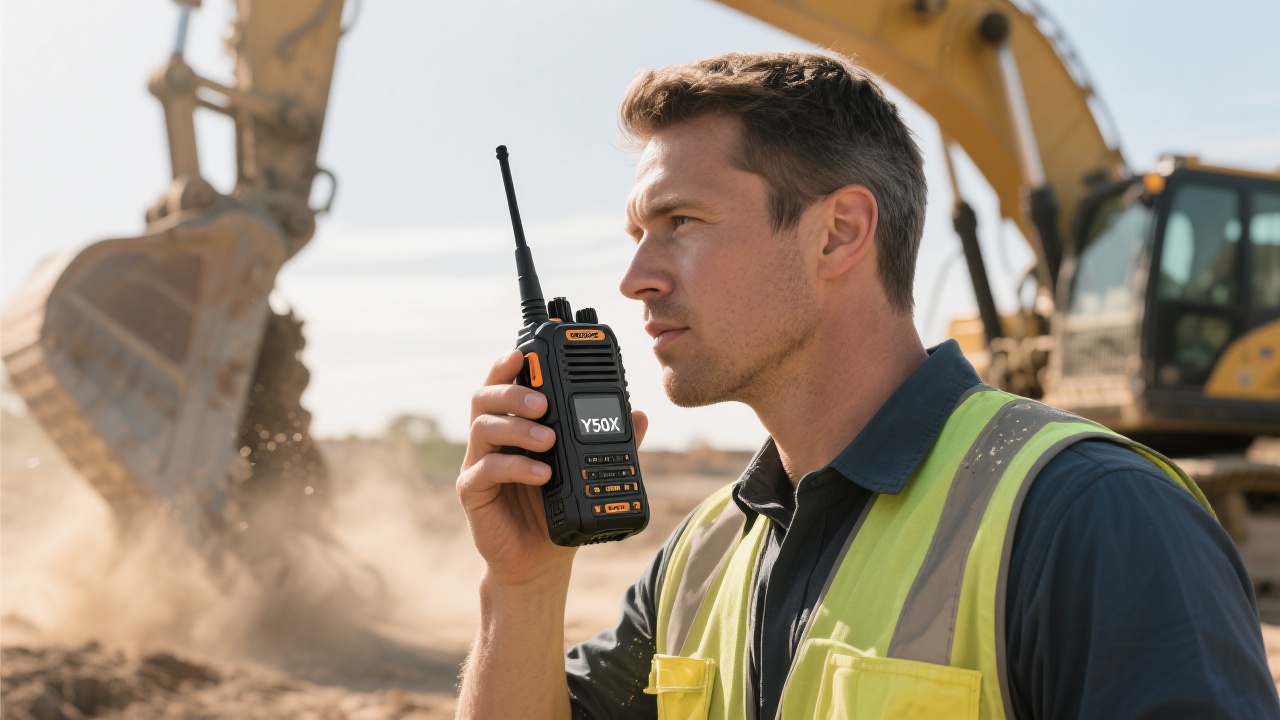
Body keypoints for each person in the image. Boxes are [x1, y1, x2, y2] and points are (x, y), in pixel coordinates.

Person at [454, 51, 1280, 719]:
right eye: (638, 233)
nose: (635, 278)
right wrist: (524, 588)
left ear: (840, 232)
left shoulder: (1091, 518)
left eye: (681, 223)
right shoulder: (702, 557)